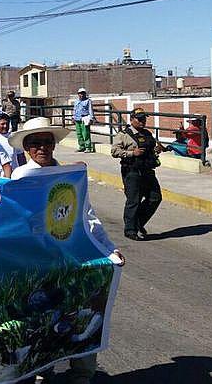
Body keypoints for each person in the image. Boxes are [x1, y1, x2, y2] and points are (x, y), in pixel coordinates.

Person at [9, 117, 125, 384]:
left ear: (54, 144)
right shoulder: (20, 178)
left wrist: (109, 249)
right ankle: (40, 370)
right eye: (35, 143)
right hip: (39, 266)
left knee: (81, 313)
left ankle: (82, 374)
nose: (42, 148)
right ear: (26, 147)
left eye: (47, 142)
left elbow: (87, 218)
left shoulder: (70, 179)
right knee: (41, 320)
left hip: (73, 261)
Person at [111, 107, 163, 240]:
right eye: (139, 119)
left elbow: (151, 149)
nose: (142, 122)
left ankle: (138, 222)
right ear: (132, 119)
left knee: (155, 198)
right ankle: (130, 230)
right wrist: (131, 153)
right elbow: (114, 151)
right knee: (133, 201)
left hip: (147, 171)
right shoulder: (123, 135)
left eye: (144, 119)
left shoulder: (147, 133)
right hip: (132, 171)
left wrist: (157, 149)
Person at [73, 88, 94, 153]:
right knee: (79, 134)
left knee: (85, 133)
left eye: (83, 93)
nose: (81, 95)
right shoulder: (76, 101)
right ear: (78, 94)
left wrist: (91, 118)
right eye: (80, 93)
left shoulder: (88, 101)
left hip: (84, 118)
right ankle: (82, 146)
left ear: (85, 94)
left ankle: (88, 147)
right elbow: (74, 109)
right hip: (77, 119)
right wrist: (73, 117)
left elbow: (90, 110)